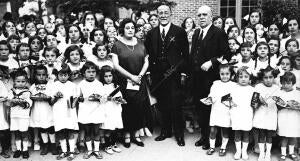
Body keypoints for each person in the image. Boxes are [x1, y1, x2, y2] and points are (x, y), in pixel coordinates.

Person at [145, 4, 188, 146]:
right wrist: (150, 72)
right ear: (157, 15)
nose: (163, 15)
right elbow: (149, 55)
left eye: (166, 13)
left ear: (170, 14)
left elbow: (185, 55)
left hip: (174, 73)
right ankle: (165, 131)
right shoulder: (151, 33)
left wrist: (183, 72)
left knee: (176, 104)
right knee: (163, 104)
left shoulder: (179, 31)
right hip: (158, 75)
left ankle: (179, 135)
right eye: (160, 13)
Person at [190, 5, 230, 149]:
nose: (201, 17)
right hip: (197, 78)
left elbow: (226, 54)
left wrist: (212, 62)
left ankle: (213, 139)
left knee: (210, 109)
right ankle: (204, 136)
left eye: (204, 15)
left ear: (211, 16)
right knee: (200, 108)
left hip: (211, 79)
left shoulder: (218, 33)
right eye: (199, 15)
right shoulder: (196, 33)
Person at [111, 18, 149, 148]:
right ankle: (127, 135)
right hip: (125, 81)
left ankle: (137, 135)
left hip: (139, 81)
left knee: (139, 108)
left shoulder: (140, 43)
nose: (130, 30)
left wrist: (139, 75)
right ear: (122, 29)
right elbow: (116, 65)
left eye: (132, 28)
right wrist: (131, 76)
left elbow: (146, 61)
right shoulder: (117, 45)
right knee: (127, 108)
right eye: (127, 28)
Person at [202, 64, 235, 156]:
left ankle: (223, 148)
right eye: (222, 74)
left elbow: (235, 97)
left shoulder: (233, 85)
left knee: (225, 130)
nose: (224, 76)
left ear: (231, 74)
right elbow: (211, 94)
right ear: (219, 74)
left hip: (226, 110)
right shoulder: (215, 83)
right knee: (213, 130)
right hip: (216, 109)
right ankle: (212, 147)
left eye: (227, 74)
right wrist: (209, 98)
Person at [77, 61, 104, 159]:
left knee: (96, 132)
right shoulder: (81, 84)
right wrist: (81, 98)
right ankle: (89, 150)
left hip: (96, 110)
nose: (91, 73)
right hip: (85, 110)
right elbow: (78, 97)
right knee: (87, 132)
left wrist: (98, 97)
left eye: (93, 71)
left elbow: (103, 98)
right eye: (88, 72)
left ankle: (96, 150)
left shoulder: (99, 84)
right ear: (84, 73)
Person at [29, 65, 58, 155]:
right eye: (39, 75)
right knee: (42, 127)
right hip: (38, 110)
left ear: (47, 75)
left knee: (50, 127)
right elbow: (30, 96)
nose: (41, 77)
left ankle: (53, 145)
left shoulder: (50, 85)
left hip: (48, 110)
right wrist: (34, 97)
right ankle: (45, 145)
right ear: (35, 76)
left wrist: (48, 98)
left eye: (43, 75)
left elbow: (53, 97)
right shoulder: (33, 86)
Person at [253, 66, 280, 161]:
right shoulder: (258, 87)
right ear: (262, 78)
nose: (268, 80)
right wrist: (258, 101)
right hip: (261, 113)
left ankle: (268, 153)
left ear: (274, 77)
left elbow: (279, 101)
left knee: (269, 134)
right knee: (261, 133)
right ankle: (261, 153)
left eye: (271, 77)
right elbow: (254, 102)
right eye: (265, 77)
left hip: (271, 113)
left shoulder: (277, 88)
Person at [8, 69, 32, 159]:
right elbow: (9, 102)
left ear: (26, 82)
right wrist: (14, 100)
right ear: (14, 82)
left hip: (23, 116)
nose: (20, 83)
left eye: (23, 81)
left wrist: (21, 102)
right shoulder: (11, 91)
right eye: (18, 81)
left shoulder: (27, 92)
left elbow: (29, 104)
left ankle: (25, 149)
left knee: (24, 133)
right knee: (17, 133)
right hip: (14, 116)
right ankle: (18, 149)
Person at [276, 72, 300, 161]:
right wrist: (286, 104)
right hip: (284, 117)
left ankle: (291, 152)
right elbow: (277, 105)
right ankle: (283, 153)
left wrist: (296, 105)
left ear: (293, 83)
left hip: (294, 117)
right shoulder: (279, 92)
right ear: (281, 82)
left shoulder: (297, 93)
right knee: (284, 136)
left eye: (288, 83)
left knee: (293, 135)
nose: (286, 85)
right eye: (284, 83)